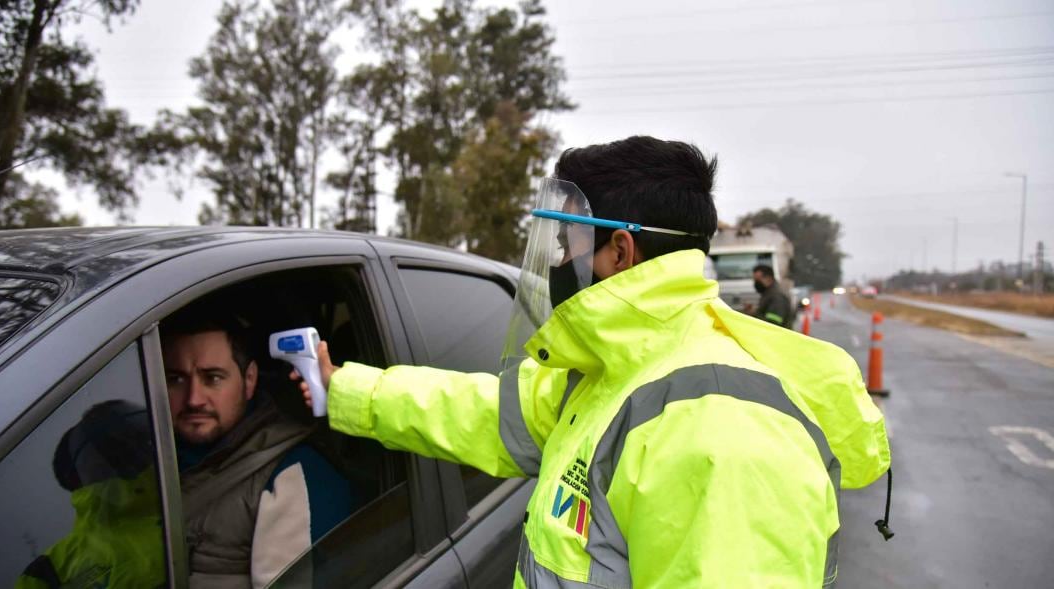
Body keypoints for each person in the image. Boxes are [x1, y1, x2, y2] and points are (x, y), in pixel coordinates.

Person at [294, 136, 891, 587]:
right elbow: (481, 412)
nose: (555, 261)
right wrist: (343, 388)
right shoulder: (614, 373)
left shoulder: (719, 430)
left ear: (620, 250)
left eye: (567, 244)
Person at [162, 307, 354, 589]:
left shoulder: (295, 475)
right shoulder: (138, 459)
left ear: (249, 379)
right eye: (175, 379)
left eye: (212, 378)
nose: (194, 399)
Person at [16, 401, 166, 589]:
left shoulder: (195, 497)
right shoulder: (48, 573)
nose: (129, 453)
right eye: (106, 449)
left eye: (134, 441)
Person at [751, 263, 793, 327]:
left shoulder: (777, 296)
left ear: (768, 278)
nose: (756, 283)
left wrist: (754, 314)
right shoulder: (769, 292)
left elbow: (773, 323)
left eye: (758, 280)